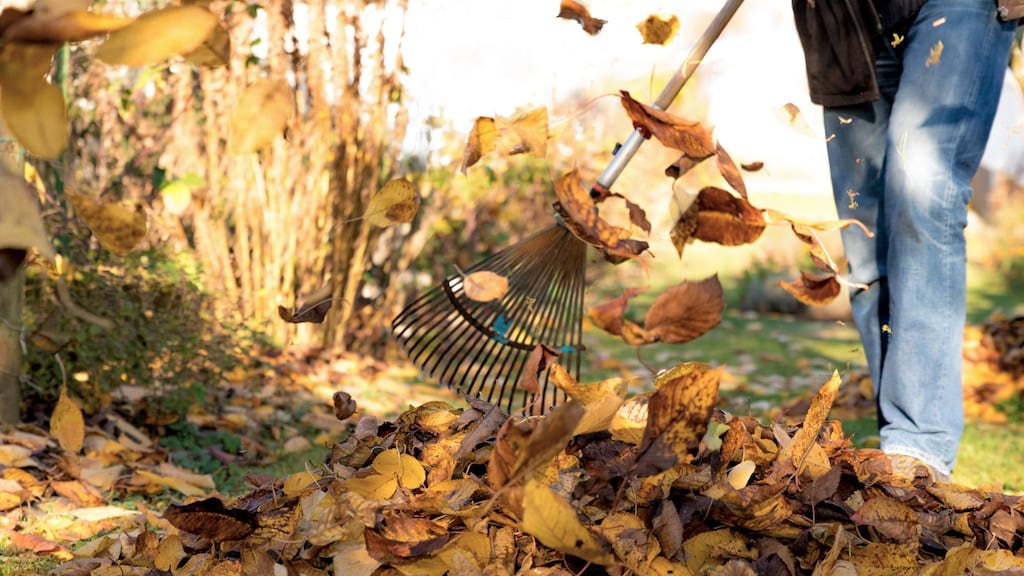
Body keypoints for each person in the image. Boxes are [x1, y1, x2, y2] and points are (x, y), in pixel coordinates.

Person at [791, 0, 1022, 482]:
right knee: (864, 238)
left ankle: (920, 445)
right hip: (842, 21)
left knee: (924, 190)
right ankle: (897, 448)